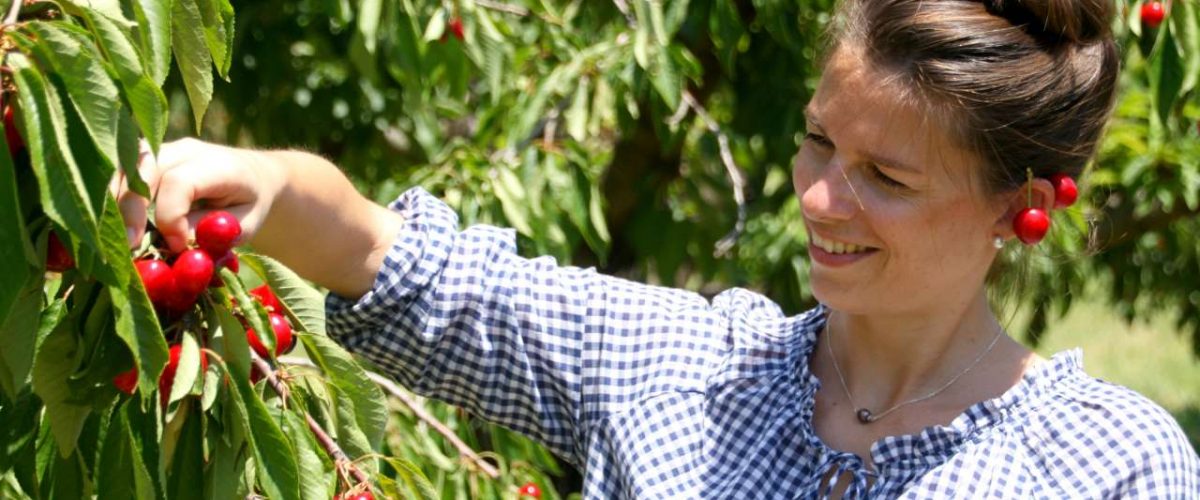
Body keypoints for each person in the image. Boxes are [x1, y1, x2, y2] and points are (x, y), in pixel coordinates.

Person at [116, 0, 1199, 497]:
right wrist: (269, 187)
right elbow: (438, 283)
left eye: (887, 177)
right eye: (818, 141)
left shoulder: (1108, 467)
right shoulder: (688, 371)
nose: (820, 196)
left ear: (1017, 206)